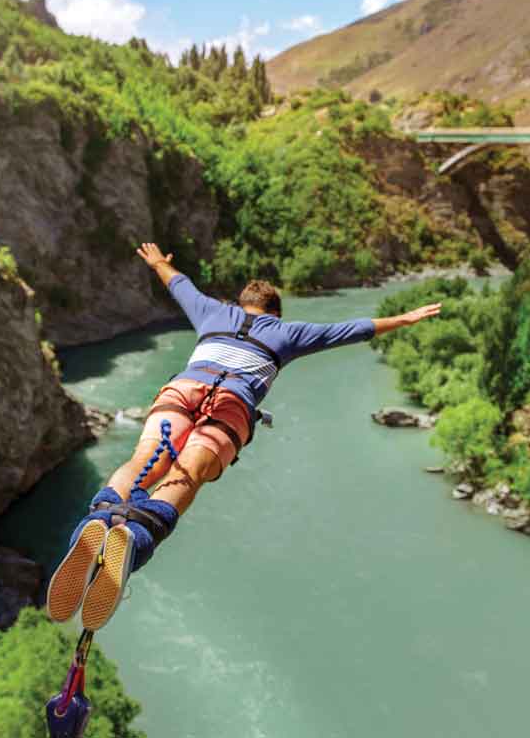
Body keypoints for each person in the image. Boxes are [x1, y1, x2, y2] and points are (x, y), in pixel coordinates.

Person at [46, 242, 442, 630]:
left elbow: (179, 284)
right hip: (231, 402)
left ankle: (96, 520)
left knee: (144, 459)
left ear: (240, 303)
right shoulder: (289, 333)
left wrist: (157, 263)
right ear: (276, 311)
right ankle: (136, 536)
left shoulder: (212, 311)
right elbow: (350, 330)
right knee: (189, 471)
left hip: (183, 389)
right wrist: (405, 319)